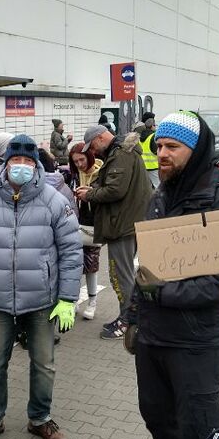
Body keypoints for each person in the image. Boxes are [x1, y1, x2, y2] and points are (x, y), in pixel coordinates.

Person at [125, 112, 219, 439]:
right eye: (158, 145)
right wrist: (132, 317)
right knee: (162, 430)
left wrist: (160, 292)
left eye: (172, 147)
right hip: (152, 340)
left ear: (196, 151)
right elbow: (146, 266)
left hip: (195, 345)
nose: (162, 153)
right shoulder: (160, 197)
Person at [0, 134, 82, 439]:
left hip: (42, 301)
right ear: (5, 164)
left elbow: (71, 252)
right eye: (17, 161)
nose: (22, 167)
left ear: (37, 165)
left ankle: (40, 419)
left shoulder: (55, 201)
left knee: (44, 364)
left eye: (29, 162)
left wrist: (68, 299)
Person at [73, 126, 151, 339]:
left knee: (120, 274)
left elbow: (116, 190)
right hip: (129, 221)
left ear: (100, 138)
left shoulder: (120, 154)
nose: (94, 152)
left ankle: (127, 320)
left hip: (123, 224)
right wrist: (94, 189)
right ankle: (132, 316)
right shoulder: (123, 152)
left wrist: (91, 195)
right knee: (124, 273)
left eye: (93, 146)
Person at [68, 142, 104, 320]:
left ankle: (92, 303)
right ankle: (73, 300)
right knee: (74, 265)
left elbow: (109, 196)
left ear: (89, 156)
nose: (79, 164)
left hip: (94, 227)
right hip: (75, 225)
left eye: (81, 160)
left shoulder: (102, 173)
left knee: (91, 266)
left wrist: (91, 193)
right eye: (75, 161)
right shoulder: (74, 175)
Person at [137, 119, 161, 188]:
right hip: (154, 166)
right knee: (158, 188)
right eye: (155, 125)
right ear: (152, 126)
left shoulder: (140, 136)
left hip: (143, 166)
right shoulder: (153, 136)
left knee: (147, 188)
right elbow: (156, 151)